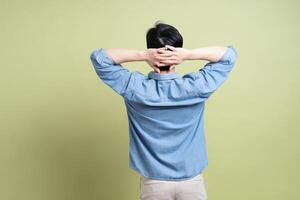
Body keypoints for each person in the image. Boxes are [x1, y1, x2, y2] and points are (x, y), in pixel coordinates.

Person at [90, 21, 238, 200]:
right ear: (178, 54)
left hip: (154, 183)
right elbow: (229, 55)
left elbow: (99, 58)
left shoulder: (135, 88)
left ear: (152, 55)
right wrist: (189, 54)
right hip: (192, 181)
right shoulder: (196, 87)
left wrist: (143, 55)